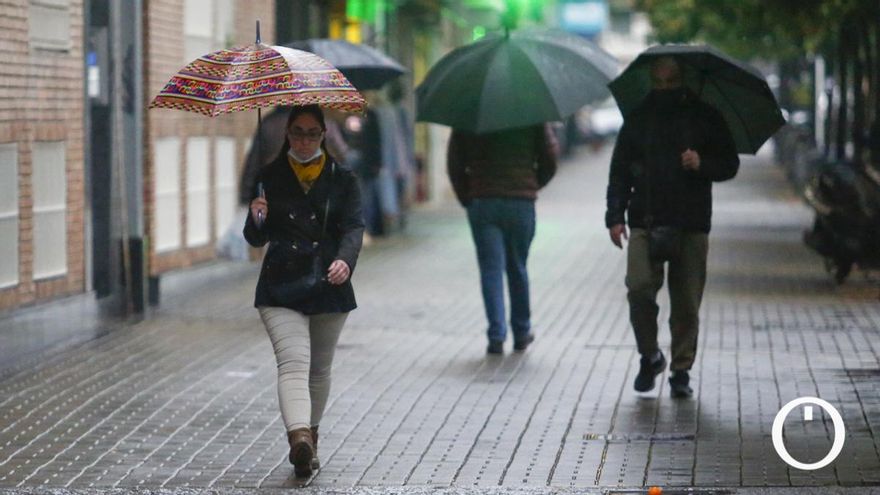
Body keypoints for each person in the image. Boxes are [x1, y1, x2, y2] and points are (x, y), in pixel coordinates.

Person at [605, 56, 739, 398]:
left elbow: (729, 164)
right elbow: (619, 170)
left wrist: (702, 163)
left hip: (691, 221)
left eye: (671, 82)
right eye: (658, 82)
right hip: (645, 218)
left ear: (683, 81)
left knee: (686, 303)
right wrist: (615, 216)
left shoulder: (705, 117)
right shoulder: (638, 118)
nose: (663, 89)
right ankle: (650, 355)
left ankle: (681, 369)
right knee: (638, 288)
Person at [244, 105, 364, 476]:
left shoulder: (342, 178)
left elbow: (354, 227)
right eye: (298, 132)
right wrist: (258, 216)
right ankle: (299, 439)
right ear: (287, 134)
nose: (305, 140)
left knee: (319, 369)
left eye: (313, 133)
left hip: (330, 282)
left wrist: (345, 260)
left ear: (324, 135)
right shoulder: (269, 176)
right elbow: (255, 237)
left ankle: (311, 435)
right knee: (293, 363)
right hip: (282, 284)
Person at [447, 124, 558, 355]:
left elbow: (455, 162)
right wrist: (532, 183)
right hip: (520, 202)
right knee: (518, 266)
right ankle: (521, 332)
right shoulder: (532, 109)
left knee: (491, 270)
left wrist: (466, 196)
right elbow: (550, 156)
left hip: (483, 201)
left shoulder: (470, 111)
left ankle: (497, 335)